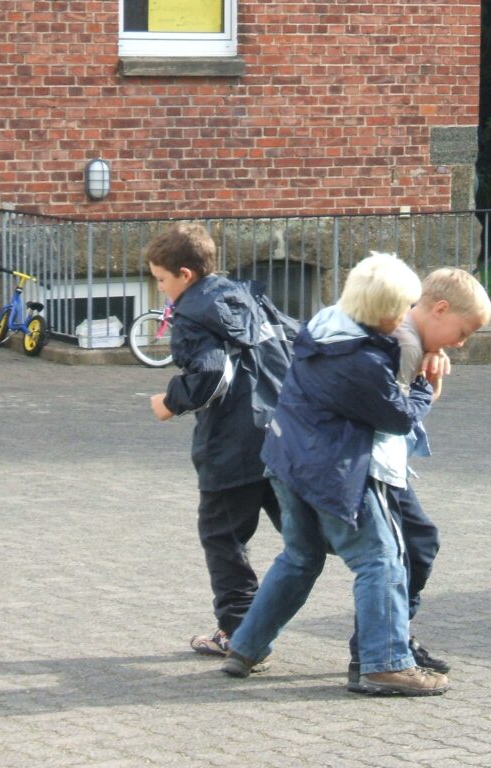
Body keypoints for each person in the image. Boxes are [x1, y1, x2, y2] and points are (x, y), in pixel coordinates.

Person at [221, 252, 449, 696]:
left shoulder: (325, 326)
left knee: (300, 558)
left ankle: (246, 646)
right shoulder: (360, 361)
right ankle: (384, 665)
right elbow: (398, 417)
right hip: (334, 469)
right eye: (403, 309)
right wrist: (425, 386)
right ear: (386, 314)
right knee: (380, 560)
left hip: (287, 459)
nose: (407, 318)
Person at [146, 221, 291, 656]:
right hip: (281, 435)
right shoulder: (246, 296)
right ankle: (383, 595)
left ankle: (238, 630)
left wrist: (171, 401)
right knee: (308, 536)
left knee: (222, 536)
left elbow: (211, 374)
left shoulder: (192, 314)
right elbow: (293, 340)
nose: (160, 291)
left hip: (232, 445)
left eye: (161, 280)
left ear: (185, 276)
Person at [348, 265, 491, 688]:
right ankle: (381, 650)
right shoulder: (405, 344)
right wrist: (427, 384)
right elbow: (397, 416)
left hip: (380, 464)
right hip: (375, 467)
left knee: (406, 549)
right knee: (404, 551)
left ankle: (388, 642)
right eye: (462, 332)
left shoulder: (410, 338)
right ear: (440, 309)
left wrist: (434, 359)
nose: (461, 343)